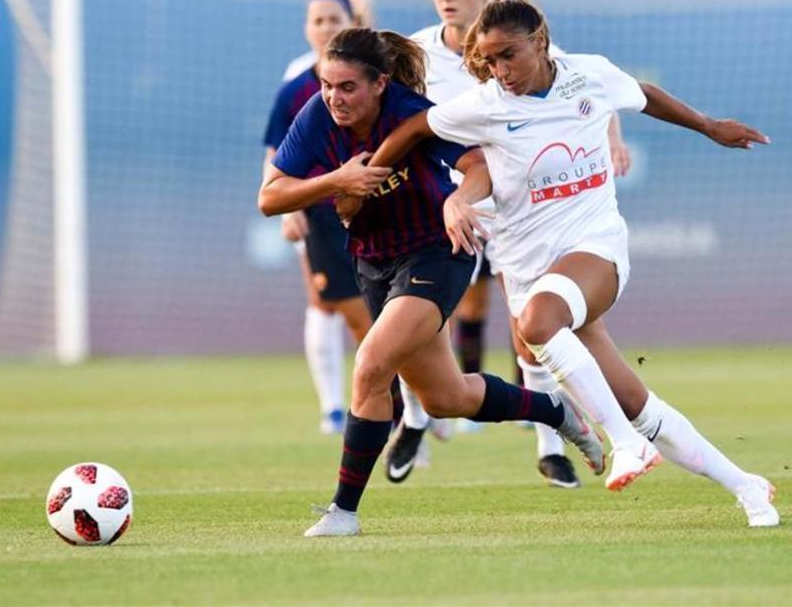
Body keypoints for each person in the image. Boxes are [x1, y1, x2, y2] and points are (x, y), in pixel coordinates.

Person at [345, 0, 780, 527]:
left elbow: (641, 94)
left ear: (541, 42)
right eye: (491, 59)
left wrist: (709, 126)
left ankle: (623, 445)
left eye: (510, 55)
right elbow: (414, 128)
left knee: (539, 325)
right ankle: (747, 485)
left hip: (595, 250)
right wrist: (363, 186)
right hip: (531, 272)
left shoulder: (588, 75)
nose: (501, 69)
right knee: (636, 405)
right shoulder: (486, 106)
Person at [258, 27, 605, 537]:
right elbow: (270, 197)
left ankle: (344, 512)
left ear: (379, 83)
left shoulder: (412, 111)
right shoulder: (317, 115)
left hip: (436, 253)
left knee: (372, 366)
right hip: (374, 262)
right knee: (447, 398)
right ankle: (554, 410)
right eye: (328, 86)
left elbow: (478, 164)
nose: (334, 96)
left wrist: (459, 199)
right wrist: (336, 181)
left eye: (347, 86)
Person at [387, 0, 634, 489]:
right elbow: (398, 120)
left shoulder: (524, 47)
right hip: (443, 206)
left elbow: (592, 90)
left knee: (532, 334)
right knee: (419, 315)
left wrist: (613, 136)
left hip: (519, 209)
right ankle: (415, 418)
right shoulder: (415, 54)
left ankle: (550, 443)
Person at [264, 0, 366, 434]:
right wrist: (289, 206)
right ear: (307, 28)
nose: (325, 27)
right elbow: (277, 152)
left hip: (370, 207)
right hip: (317, 208)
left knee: (381, 307)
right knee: (325, 303)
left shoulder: (376, 72)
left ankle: (411, 407)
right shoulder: (296, 81)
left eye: (334, 19)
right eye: (317, 20)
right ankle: (333, 408)